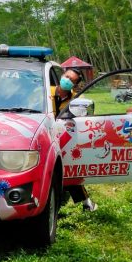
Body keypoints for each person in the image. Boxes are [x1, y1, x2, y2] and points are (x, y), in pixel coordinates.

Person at [51, 68, 98, 212]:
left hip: (64, 139)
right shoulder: (45, 91)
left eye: (71, 80)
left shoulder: (75, 101)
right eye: (66, 76)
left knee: (69, 169)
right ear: (62, 76)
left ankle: (86, 203)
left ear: (75, 85)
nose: (67, 80)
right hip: (41, 134)